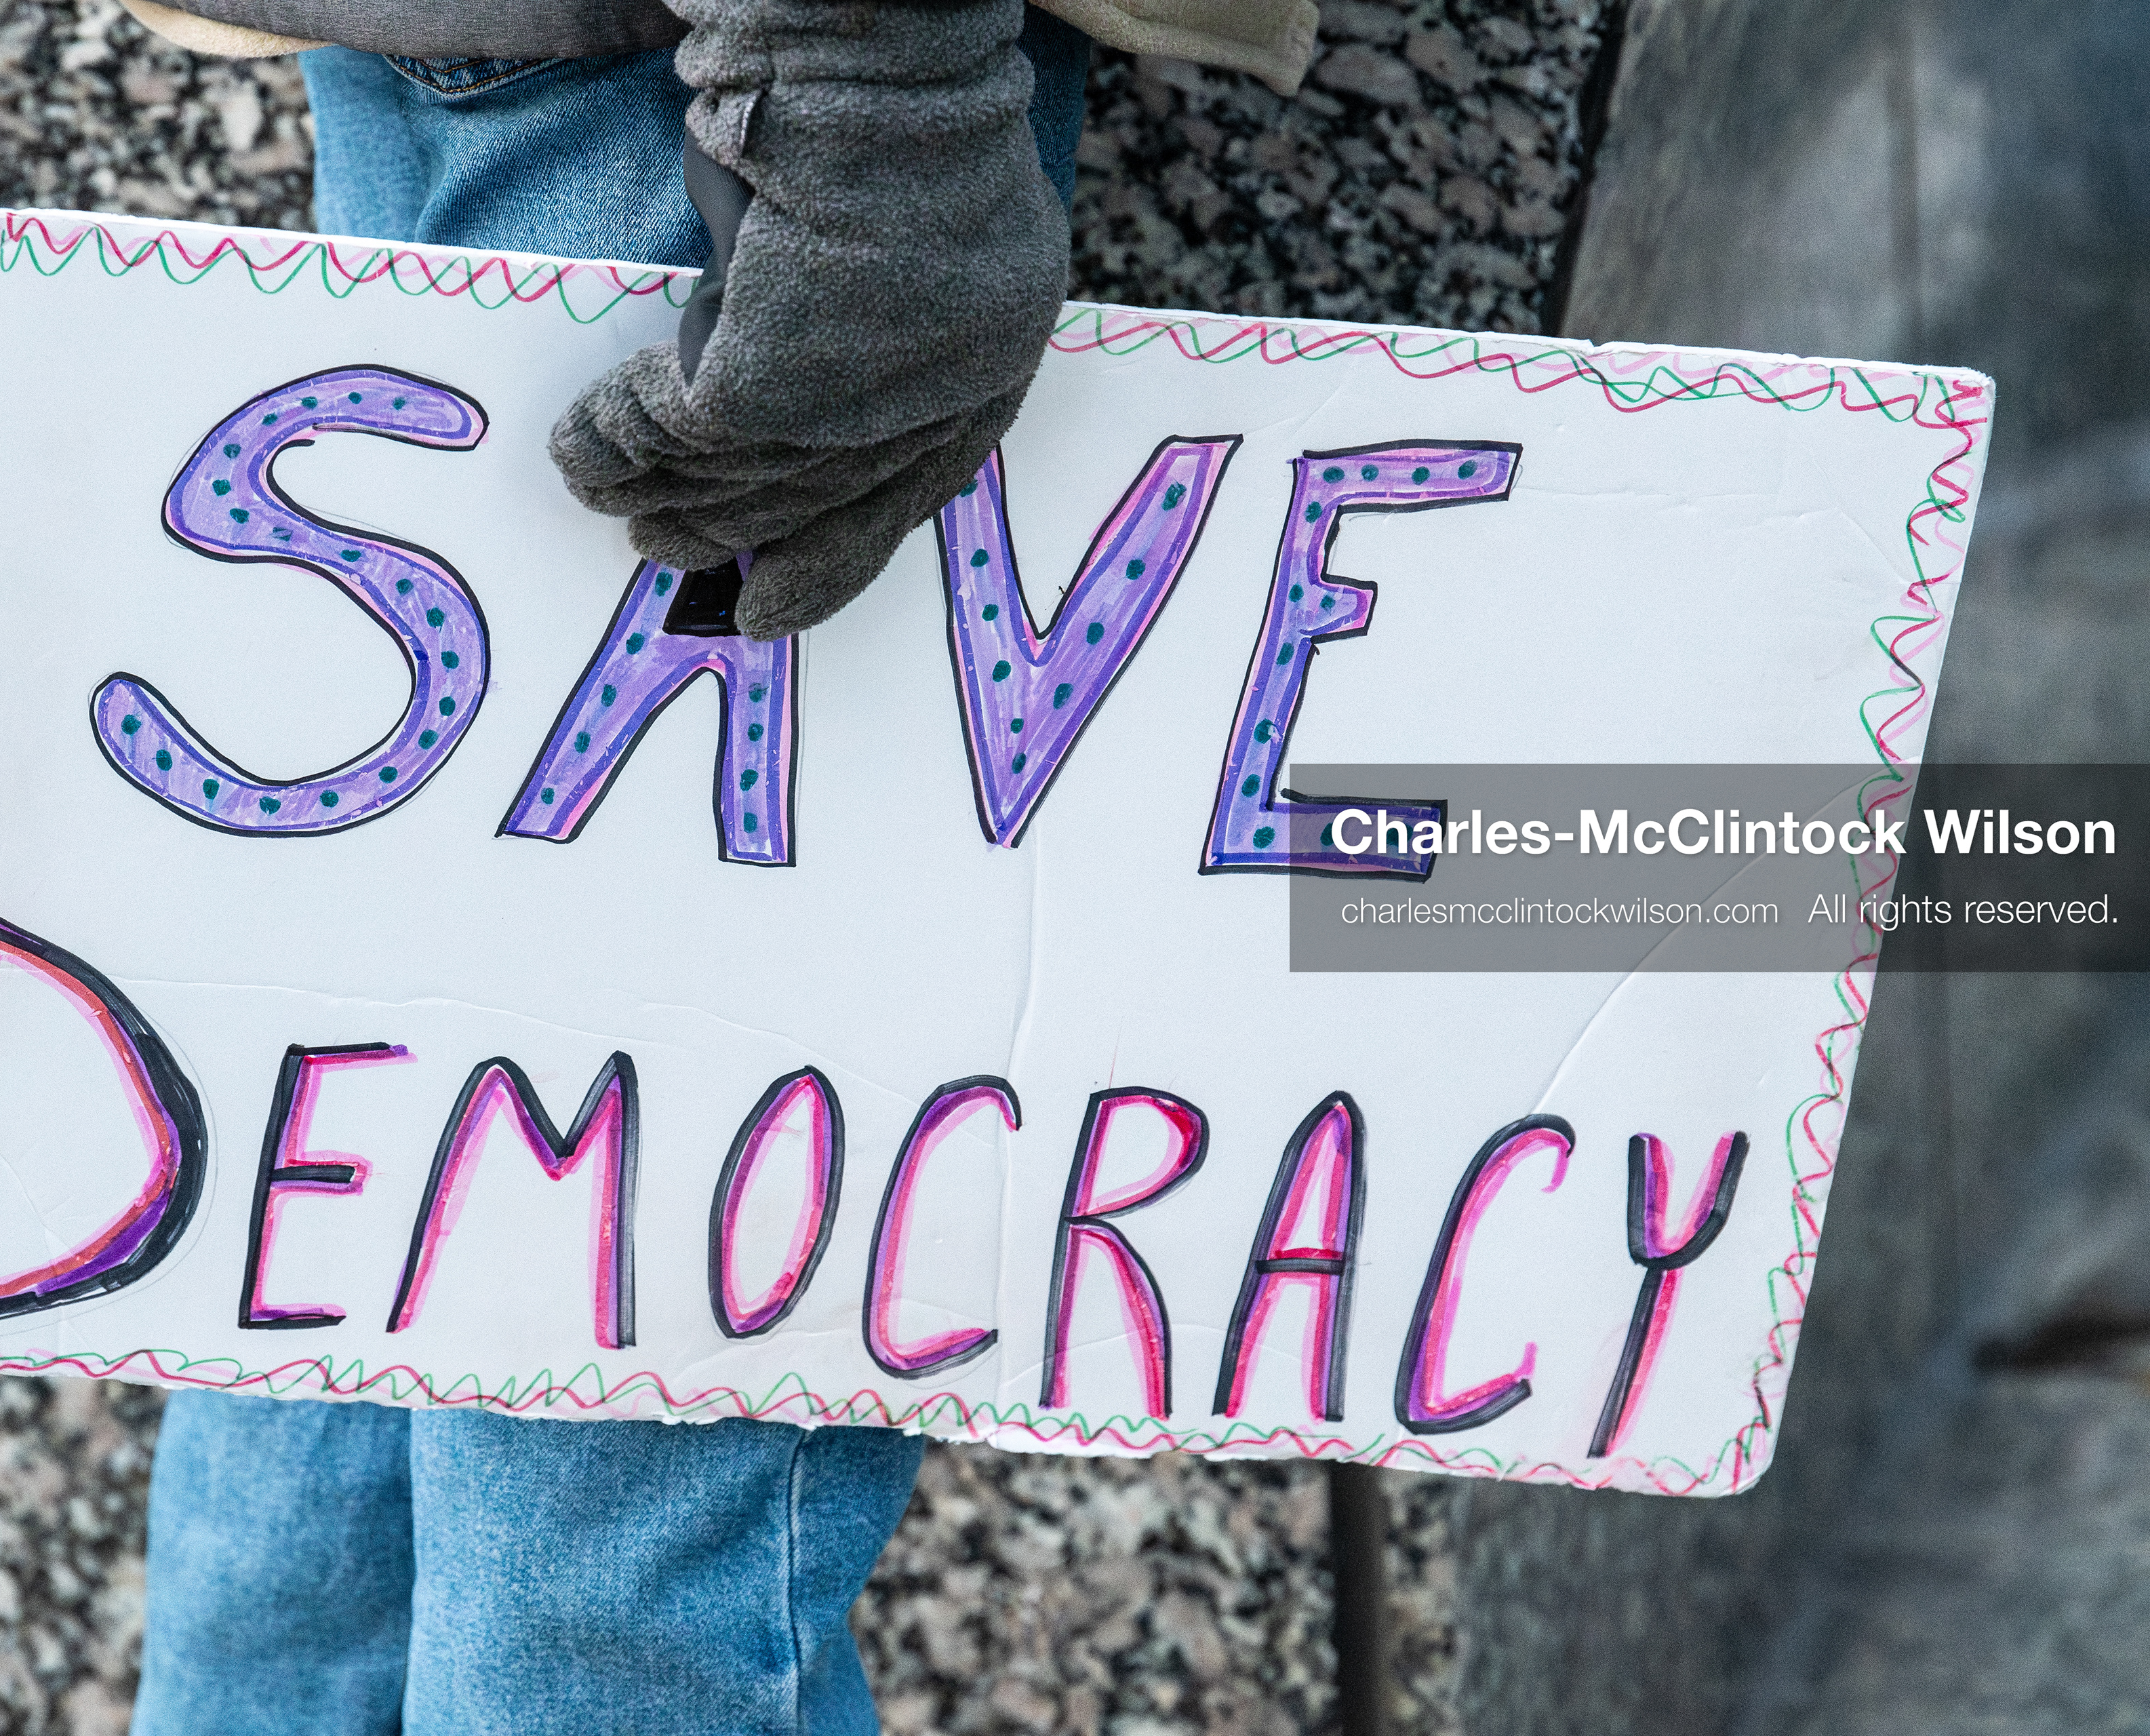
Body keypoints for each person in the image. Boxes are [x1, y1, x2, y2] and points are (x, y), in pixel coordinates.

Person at [106, 1, 1315, 1729]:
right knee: (590, 1607)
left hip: (498, 50)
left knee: (337, 1479)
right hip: (711, 92)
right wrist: (867, 85)